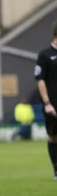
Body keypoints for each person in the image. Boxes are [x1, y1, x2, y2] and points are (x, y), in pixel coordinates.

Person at [34, 20, 57, 180]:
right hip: (53, 104)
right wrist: (47, 103)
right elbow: (40, 79)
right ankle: (56, 169)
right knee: (54, 136)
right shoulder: (45, 54)